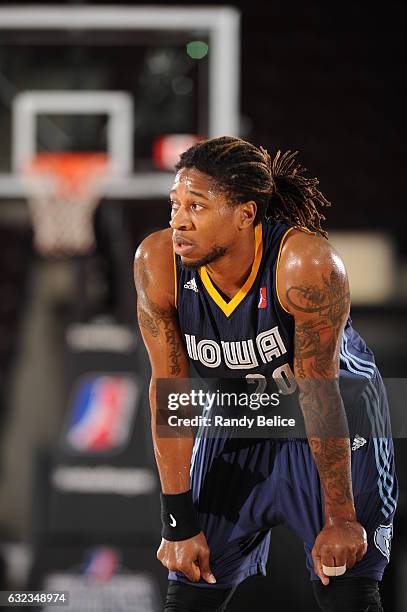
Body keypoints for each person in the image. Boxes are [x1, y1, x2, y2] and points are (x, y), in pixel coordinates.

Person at [134, 136, 397, 611]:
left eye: (196, 205)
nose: (178, 221)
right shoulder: (158, 265)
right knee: (190, 580)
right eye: (174, 204)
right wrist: (177, 523)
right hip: (240, 411)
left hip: (332, 414)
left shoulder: (306, 265)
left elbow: (321, 392)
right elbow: (170, 393)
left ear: (246, 215)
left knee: (345, 587)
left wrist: (340, 516)